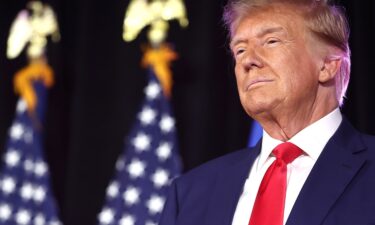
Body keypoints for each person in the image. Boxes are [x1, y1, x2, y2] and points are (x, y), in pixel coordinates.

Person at [159, 0, 375, 224]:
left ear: (328, 65)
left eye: (271, 41)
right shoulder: (189, 194)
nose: (248, 61)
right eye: (240, 50)